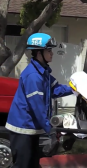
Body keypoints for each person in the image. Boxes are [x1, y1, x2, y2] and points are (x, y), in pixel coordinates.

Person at [5, 33, 74, 168]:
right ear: (38, 52)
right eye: (49, 50)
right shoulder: (33, 76)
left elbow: (56, 89)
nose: (52, 53)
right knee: (23, 165)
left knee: (33, 164)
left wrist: (76, 89)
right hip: (22, 128)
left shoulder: (43, 72)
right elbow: (37, 106)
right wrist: (50, 128)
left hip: (31, 128)